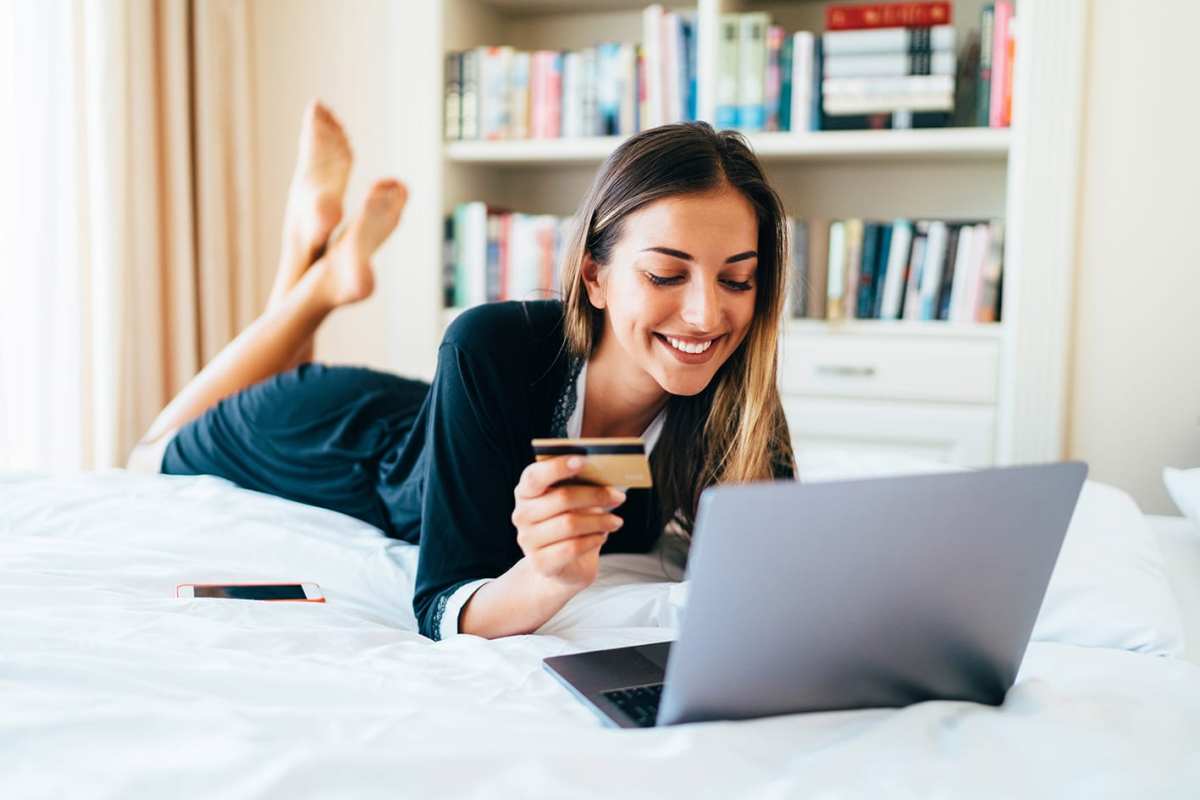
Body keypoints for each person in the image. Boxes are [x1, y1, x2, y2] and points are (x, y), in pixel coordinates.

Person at [128, 101, 796, 640]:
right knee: (150, 452)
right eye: (665, 274)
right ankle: (316, 280)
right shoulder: (492, 343)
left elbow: (781, 578)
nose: (707, 315)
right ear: (594, 275)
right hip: (336, 439)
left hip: (437, 413)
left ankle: (315, 250)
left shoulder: (736, 390)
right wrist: (547, 579)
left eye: (738, 280)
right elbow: (443, 605)